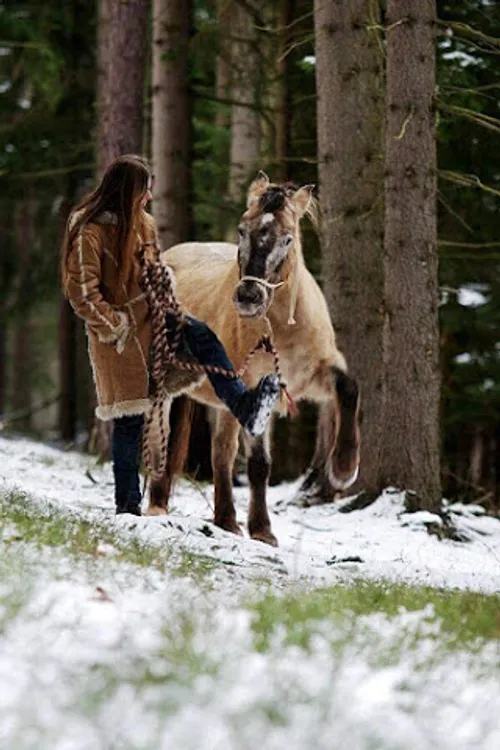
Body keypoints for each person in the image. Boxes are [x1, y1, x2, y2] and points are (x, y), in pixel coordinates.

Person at [61, 154, 279, 516]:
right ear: (127, 190)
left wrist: (163, 282)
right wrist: (115, 325)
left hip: (159, 316)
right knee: (131, 419)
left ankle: (245, 406)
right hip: (120, 335)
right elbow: (81, 292)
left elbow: (152, 266)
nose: (148, 198)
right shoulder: (90, 231)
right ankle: (128, 506)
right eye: (144, 190)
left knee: (205, 338)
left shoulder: (144, 223)